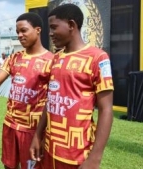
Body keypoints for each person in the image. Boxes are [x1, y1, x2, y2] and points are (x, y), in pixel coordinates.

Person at [29, 4, 114, 169]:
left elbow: (106, 109)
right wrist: (38, 136)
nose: (51, 33)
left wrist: (95, 158)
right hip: (49, 149)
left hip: (77, 155)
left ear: (71, 25)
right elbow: (51, 100)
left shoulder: (98, 58)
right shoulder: (56, 58)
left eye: (54, 27)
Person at [0, 12, 54, 169]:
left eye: (23, 30)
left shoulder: (52, 61)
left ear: (38, 30)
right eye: (17, 32)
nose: (20, 35)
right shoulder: (14, 58)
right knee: (9, 166)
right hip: (10, 125)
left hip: (33, 129)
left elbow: (53, 101)